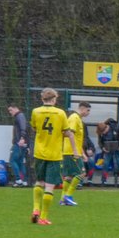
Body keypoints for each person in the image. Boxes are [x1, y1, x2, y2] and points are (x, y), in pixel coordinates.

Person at [30, 88, 78, 225]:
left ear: (42, 99)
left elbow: (35, 128)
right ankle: (43, 217)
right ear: (54, 99)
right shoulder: (60, 113)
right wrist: (75, 150)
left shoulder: (35, 111)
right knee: (49, 186)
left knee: (39, 182)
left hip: (39, 152)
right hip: (54, 154)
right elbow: (66, 131)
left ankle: (35, 209)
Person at [59, 101, 91, 206]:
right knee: (81, 173)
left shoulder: (78, 119)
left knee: (69, 176)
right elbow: (70, 134)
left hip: (70, 151)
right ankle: (68, 196)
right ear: (82, 108)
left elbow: (77, 139)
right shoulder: (74, 118)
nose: (88, 113)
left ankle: (63, 199)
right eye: (88, 110)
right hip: (71, 152)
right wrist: (75, 151)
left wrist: (83, 153)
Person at [97, 118, 119, 185]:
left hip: (118, 149)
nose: (103, 133)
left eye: (104, 132)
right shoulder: (101, 132)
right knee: (105, 164)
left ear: (106, 127)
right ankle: (103, 181)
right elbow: (100, 142)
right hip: (107, 150)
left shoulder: (117, 128)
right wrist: (103, 148)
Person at [7, 103, 30, 187]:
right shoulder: (21, 116)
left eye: (11, 110)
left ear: (15, 108)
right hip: (23, 143)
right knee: (20, 162)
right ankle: (24, 181)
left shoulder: (19, 116)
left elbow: (23, 127)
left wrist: (22, 138)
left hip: (19, 142)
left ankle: (18, 180)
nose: (10, 112)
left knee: (12, 160)